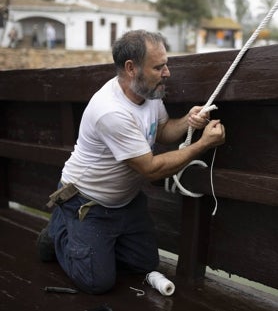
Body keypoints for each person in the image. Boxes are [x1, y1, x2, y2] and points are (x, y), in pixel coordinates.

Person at [37, 29, 225, 294]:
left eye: (166, 64)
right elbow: (150, 169)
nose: (167, 73)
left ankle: (93, 245)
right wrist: (203, 144)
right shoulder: (110, 111)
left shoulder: (148, 92)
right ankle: (58, 232)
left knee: (144, 263)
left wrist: (188, 121)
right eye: (159, 67)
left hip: (125, 202)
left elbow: (161, 131)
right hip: (86, 202)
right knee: (96, 283)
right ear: (131, 68)